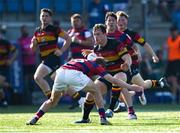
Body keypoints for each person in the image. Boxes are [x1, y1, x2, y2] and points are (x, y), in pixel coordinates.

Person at [26, 56, 143, 125]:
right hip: (73, 73)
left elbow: (58, 74)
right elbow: (112, 80)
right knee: (96, 91)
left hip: (60, 73)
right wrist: (131, 87)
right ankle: (103, 118)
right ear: (101, 66)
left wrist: (65, 86)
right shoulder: (97, 66)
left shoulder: (81, 61)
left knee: (52, 101)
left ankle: (35, 118)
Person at [79, 23, 138, 122]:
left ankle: (112, 109)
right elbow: (98, 63)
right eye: (94, 34)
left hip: (121, 72)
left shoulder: (116, 43)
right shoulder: (96, 49)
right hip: (107, 75)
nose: (96, 37)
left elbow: (127, 57)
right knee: (91, 93)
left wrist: (126, 64)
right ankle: (85, 118)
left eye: (98, 34)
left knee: (117, 80)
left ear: (105, 34)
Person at [113, 11, 169, 113]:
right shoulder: (112, 34)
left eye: (123, 19)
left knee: (132, 85)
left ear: (127, 21)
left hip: (131, 64)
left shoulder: (132, 34)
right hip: (118, 65)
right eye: (119, 20)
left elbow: (144, 44)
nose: (120, 22)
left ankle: (126, 103)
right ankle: (124, 103)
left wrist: (153, 55)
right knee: (121, 84)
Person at [30, 8, 71, 98]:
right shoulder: (37, 31)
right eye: (42, 16)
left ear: (50, 18)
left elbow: (68, 39)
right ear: (40, 18)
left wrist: (61, 50)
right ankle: (78, 98)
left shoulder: (54, 29)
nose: (44, 18)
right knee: (58, 80)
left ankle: (50, 98)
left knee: (37, 77)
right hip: (44, 59)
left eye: (46, 16)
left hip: (53, 58)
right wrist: (33, 44)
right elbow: (33, 50)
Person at [67, 13, 95, 109]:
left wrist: (78, 41)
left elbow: (91, 43)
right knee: (70, 80)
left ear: (81, 22)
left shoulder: (85, 32)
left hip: (83, 60)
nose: (75, 23)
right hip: (73, 60)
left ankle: (91, 99)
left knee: (87, 80)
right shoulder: (70, 32)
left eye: (77, 21)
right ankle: (76, 100)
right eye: (73, 21)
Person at [17, 25, 36, 104]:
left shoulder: (31, 39)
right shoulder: (19, 40)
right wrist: (25, 53)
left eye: (26, 29)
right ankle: (25, 98)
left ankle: (31, 97)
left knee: (33, 80)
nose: (25, 31)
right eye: (23, 30)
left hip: (32, 63)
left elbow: (35, 48)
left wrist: (32, 51)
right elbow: (18, 52)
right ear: (21, 31)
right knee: (25, 81)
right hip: (24, 64)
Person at [0, 25, 17, 106]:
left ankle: (4, 100)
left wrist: (11, 60)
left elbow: (15, 52)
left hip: (3, 67)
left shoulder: (5, 43)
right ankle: (9, 88)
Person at [165, 25, 180, 103]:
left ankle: (173, 98)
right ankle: (174, 95)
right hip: (170, 62)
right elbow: (168, 49)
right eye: (172, 31)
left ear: (177, 32)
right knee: (167, 80)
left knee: (174, 80)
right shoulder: (169, 39)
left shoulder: (179, 39)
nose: (173, 33)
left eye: (174, 31)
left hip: (177, 62)